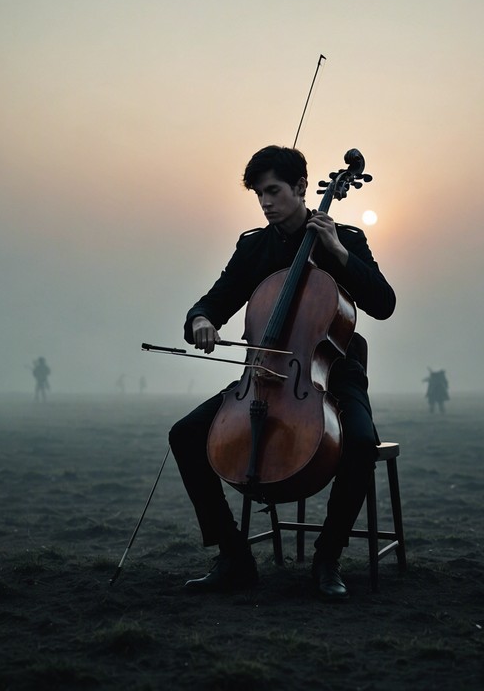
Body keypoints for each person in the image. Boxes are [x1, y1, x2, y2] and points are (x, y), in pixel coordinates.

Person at [168, 145, 396, 601]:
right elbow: (215, 299)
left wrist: (335, 250)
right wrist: (201, 320)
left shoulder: (345, 237)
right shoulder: (255, 246)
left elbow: (383, 304)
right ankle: (232, 555)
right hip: (266, 372)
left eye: (273, 191)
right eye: (258, 195)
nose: (266, 202)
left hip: (334, 372)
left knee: (361, 442)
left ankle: (327, 557)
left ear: (300, 188)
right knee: (185, 433)